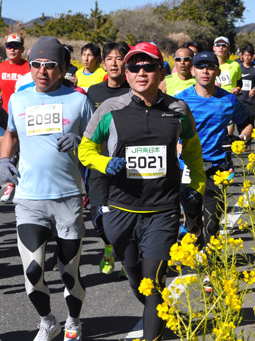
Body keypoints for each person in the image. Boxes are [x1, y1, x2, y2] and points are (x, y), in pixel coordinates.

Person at [78, 42, 206, 341]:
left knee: (154, 282)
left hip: (162, 211)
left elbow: (194, 153)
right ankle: (161, 313)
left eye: (148, 66)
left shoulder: (177, 109)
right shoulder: (110, 109)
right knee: (137, 281)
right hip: (121, 211)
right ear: (127, 72)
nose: (141, 72)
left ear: (161, 70)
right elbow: (85, 148)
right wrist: (104, 163)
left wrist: (194, 189)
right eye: (134, 66)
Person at [0, 36, 93, 341]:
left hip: (67, 198)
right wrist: (3, 159)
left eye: (50, 65)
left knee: (69, 272)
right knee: (31, 273)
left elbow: (97, 142)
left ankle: (74, 320)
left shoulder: (78, 100)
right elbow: (11, 134)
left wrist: (81, 141)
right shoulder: (19, 99)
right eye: (36, 65)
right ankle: (47, 320)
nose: (42, 71)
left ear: (63, 67)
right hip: (29, 199)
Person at [175, 51, 253, 246]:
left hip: (217, 166)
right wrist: (177, 147)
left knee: (213, 221)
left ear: (217, 71)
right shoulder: (180, 100)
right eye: (200, 67)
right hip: (188, 167)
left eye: (210, 67)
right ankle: (195, 231)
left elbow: (247, 124)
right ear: (192, 70)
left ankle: (213, 267)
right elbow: (169, 130)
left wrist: (241, 139)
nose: (205, 71)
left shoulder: (229, 100)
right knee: (192, 220)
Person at [86, 41, 131, 276]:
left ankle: (125, 256)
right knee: (98, 213)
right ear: (103, 64)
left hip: (126, 164)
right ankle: (108, 243)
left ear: (127, 62)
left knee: (124, 213)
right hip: (99, 162)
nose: (114, 62)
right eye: (110, 58)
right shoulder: (93, 92)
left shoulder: (134, 90)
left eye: (119, 57)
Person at [0, 32, 30, 203]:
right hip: (4, 115)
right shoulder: (1, 67)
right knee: (5, 150)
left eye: (16, 46)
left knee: (20, 152)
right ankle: (9, 182)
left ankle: (15, 184)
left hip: (24, 115)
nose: (12, 49)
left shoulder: (28, 67)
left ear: (22, 48)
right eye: (9, 46)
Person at [237, 46, 255, 148]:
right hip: (239, 99)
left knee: (250, 122)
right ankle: (243, 138)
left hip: (252, 101)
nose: (247, 57)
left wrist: (254, 89)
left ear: (252, 56)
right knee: (240, 122)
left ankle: (248, 142)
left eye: (249, 55)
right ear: (242, 56)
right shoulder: (238, 67)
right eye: (245, 55)